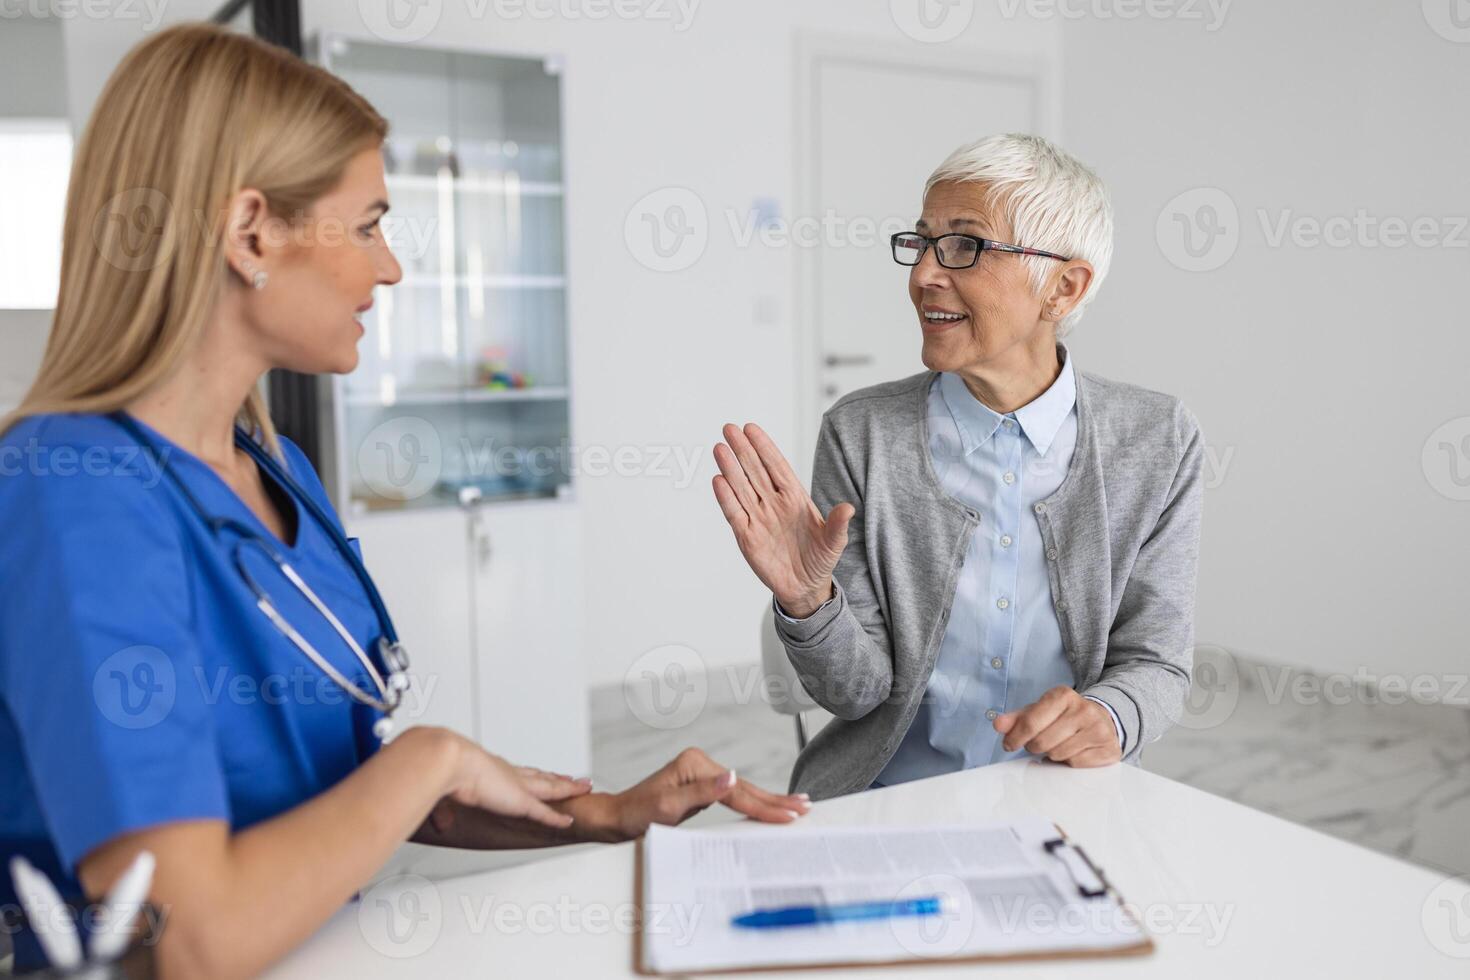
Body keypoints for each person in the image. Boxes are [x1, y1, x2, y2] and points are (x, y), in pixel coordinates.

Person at [0, 24, 807, 977]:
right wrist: (429, 757)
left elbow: (331, 794)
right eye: (372, 223)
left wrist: (602, 815)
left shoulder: (276, 466)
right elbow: (191, 936)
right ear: (251, 231)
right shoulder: (72, 491)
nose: (390, 269)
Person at [713, 134, 1205, 801]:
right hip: (890, 798)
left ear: (1063, 286)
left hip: (1071, 799)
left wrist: (1110, 719)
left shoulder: (1156, 440)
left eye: (965, 246)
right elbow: (856, 695)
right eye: (920, 243)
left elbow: (1155, 662)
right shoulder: (860, 433)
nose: (922, 275)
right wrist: (808, 602)